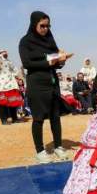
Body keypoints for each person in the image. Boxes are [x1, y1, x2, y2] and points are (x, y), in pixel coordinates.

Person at [19, 11, 72, 163]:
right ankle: (40, 150)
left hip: (52, 81)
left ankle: (58, 146)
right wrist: (48, 63)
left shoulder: (49, 40)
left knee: (55, 116)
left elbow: (57, 62)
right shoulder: (25, 42)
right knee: (38, 118)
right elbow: (27, 64)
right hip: (36, 83)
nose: (45, 29)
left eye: (48, 26)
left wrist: (62, 59)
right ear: (34, 24)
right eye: (42, 26)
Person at [0, 50, 24, 125]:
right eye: (3, 52)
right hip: (1, 84)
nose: (5, 53)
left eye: (6, 52)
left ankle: (14, 118)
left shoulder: (9, 61)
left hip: (11, 83)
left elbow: (15, 70)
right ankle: (4, 120)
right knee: (2, 102)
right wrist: (0, 55)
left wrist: (13, 75)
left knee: (12, 101)